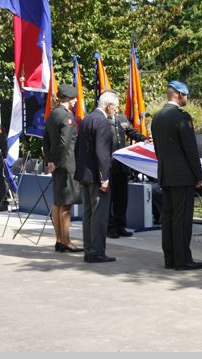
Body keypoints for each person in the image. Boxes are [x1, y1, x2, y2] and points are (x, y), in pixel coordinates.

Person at [151, 80, 202, 271]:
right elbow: (191, 150)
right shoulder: (182, 117)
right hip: (183, 176)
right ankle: (183, 260)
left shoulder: (157, 117)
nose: (187, 99)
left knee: (169, 217)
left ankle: (170, 258)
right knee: (182, 219)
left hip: (166, 173)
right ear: (179, 95)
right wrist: (198, 175)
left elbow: (157, 149)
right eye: (186, 95)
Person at [74, 91, 115, 263]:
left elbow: (78, 149)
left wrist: (79, 174)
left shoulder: (87, 119)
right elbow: (102, 153)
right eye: (116, 106)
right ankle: (97, 252)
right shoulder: (103, 122)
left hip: (86, 175)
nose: (116, 110)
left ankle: (89, 250)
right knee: (99, 215)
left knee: (89, 214)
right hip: (97, 178)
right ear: (108, 106)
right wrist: (104, 177)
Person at [42, 84, 83, 253]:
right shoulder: (67, 117)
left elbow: (46, 141)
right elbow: (64, 143)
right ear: (67, 99)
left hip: (57, 165)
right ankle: (66, 241)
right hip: (66, 165)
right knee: (66, 205)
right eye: (74, 98)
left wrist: (50, 161)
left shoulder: (52, 114)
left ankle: (59, 240)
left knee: (58, 203)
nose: (75, 101)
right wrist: (57, 162)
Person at [107, 93, 148, 239]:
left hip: (122, 164)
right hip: (108, 165)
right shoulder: (103, 119)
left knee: (121, 197)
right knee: (109, 198)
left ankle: (120, 225)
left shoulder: (122, 118)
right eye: (115, 105)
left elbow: (131, 132)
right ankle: (110, 227)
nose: (117, 109)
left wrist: (145, 140)